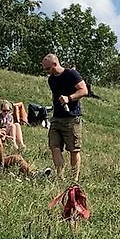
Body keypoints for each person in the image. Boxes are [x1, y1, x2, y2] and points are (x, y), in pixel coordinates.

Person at [42, 53, 87, 181]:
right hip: (57, 117)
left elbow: (84, 90)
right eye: (45, 69)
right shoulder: (51, 80)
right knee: (54, 146)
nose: (46, 72)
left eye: (48, 68)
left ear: (55, 64)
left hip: (72, 118)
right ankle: (60, 177)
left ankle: (74, 179)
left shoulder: (71, 74)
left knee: (74, 149)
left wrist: (69, 98)